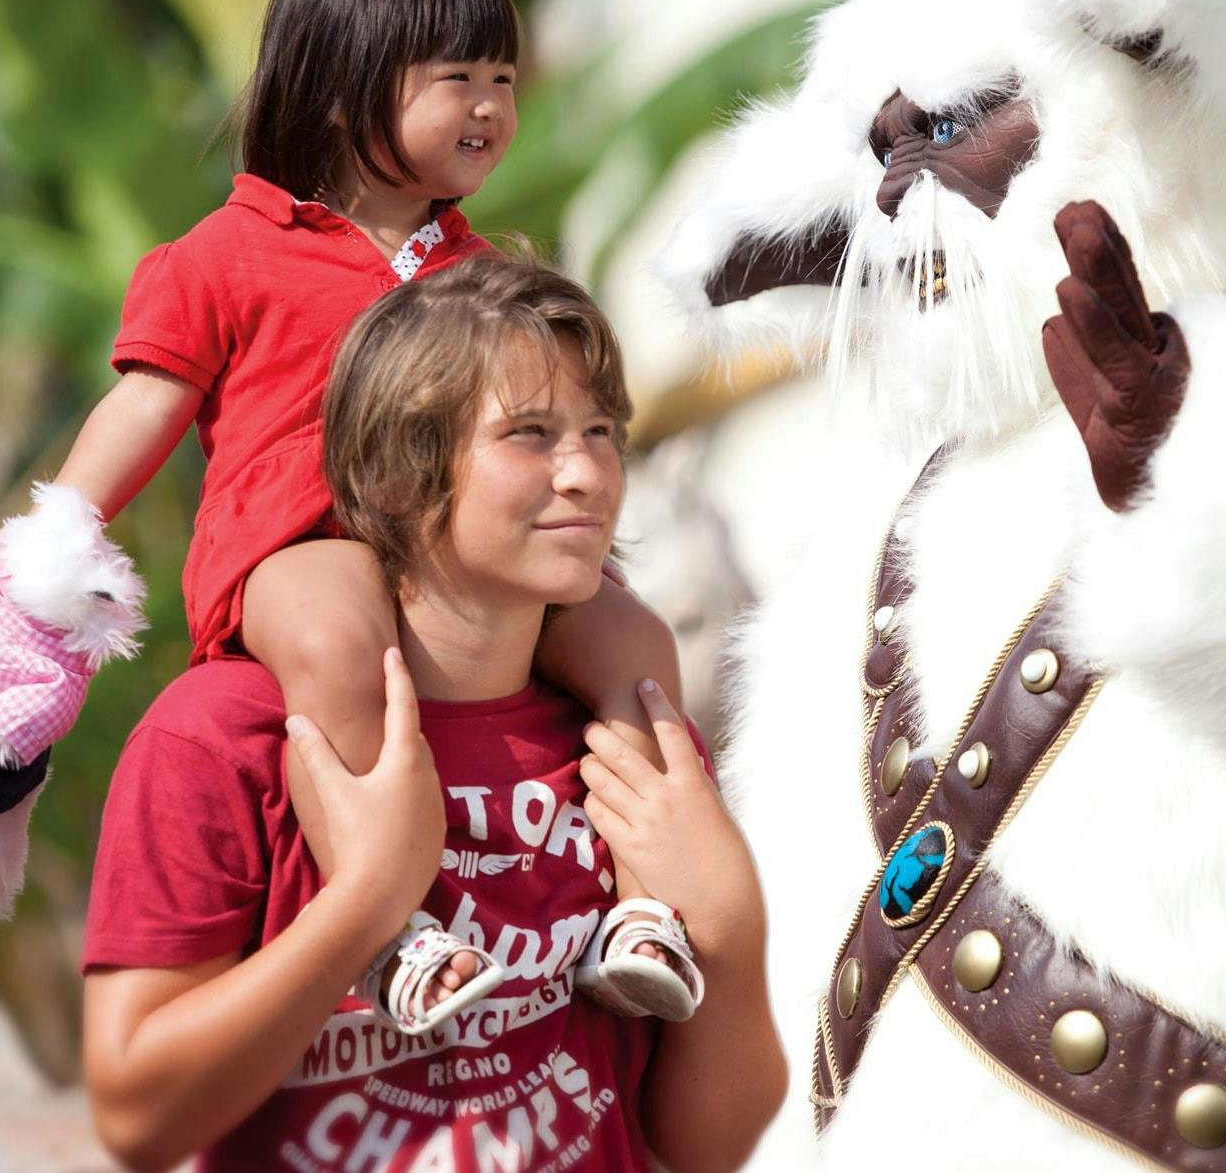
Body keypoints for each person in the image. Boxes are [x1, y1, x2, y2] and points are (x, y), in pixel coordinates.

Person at [3, 0, 697, 1026]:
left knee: (634, 643)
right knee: (336, 636)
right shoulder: (225, 255)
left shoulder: (482, 272)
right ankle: (389, 930)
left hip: (462, 553)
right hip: (297, 544)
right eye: (456, 78)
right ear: (339, 91)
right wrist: (54, 540)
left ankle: (649, 908)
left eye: (505, 79)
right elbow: (145, 402)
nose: (489, 106)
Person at [80, 258, 788, 1171]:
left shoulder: (626, 742)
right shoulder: (225, 739)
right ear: (394, 479)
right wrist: (367, 902)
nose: (585, 472)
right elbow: (139, 1117)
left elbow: (706, 1148)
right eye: (528, 434)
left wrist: (730, 927)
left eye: (601, 430)